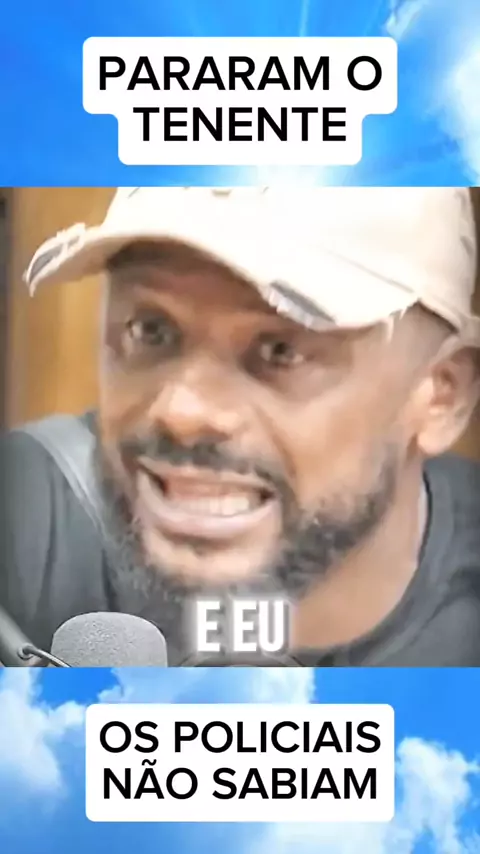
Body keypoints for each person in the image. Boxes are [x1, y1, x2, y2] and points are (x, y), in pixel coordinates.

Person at [1, 186, 480, 666]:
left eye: (281, 351)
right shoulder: (29, 517)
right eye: (151, 330)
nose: (182, 413)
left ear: (443, 396)